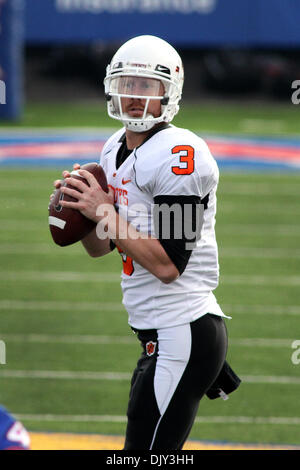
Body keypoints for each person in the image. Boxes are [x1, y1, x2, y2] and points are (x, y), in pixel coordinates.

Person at [53, 35, 239, 450]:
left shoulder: (180, 153)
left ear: (168, 93)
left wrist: (103, 210)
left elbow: (168, 265)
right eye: (127, 84)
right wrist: (82, 213)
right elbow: (105, 247)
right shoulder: (112, 148)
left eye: (146, 87)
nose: (134, 97)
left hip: (184, 326)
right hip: (158, 331)